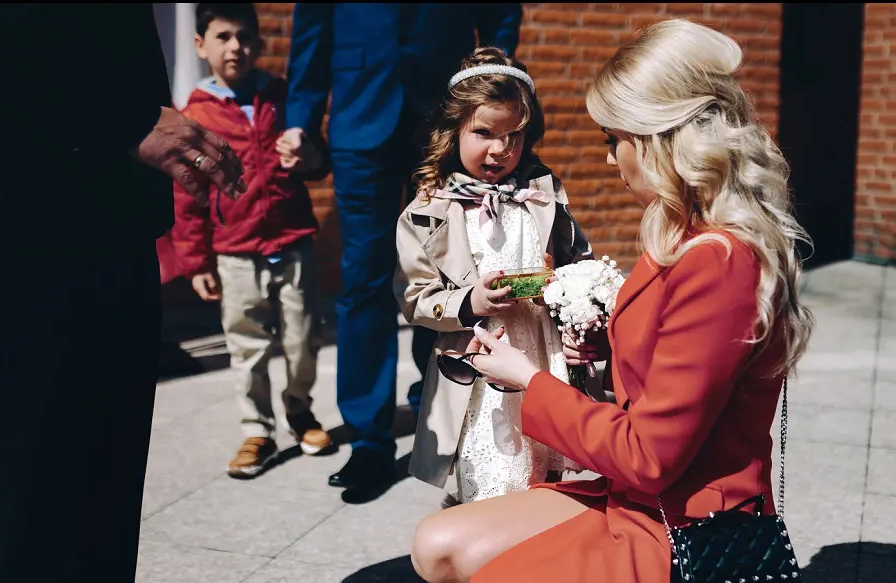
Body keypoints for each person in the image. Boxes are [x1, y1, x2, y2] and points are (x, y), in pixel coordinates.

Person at [407, 19, 815, 583]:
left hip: (684, 532)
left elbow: (653, 456)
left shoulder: (720, 259)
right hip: (633, 498)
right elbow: (662, 371)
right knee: (437, 545)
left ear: (659, 140)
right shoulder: (681, 227)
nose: (607, 155)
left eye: (614, 138)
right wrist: (598, 345)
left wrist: (530, 380)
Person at [0, 4, 246, 583]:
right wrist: (118, 115)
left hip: (111, 206)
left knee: (104, 443)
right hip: (19, 205)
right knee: (17, 463)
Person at [276, 3, 523, 496]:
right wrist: (300, 119)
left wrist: (489, 81)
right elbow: (312, 30)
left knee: (442, 271)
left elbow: (500, 15)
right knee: (364, 281)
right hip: (360, 115)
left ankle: (436, 406)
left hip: (441, 118)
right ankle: (369, 439)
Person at [395, 47, 594, 515]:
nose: (501, 149)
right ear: (452, 131)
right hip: (478, 368)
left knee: (542, 472)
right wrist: (471, 300)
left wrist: (565, 286)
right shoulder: (428, 211)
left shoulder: (543, 196)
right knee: (490, 476)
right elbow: (414, 299)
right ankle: (478, 575)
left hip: (541, 359)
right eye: (484, 133)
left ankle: (531, 569)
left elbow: (579, 263)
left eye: (514, 136)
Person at [172, 2, 333, 479]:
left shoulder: (283, 98)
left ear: (259, 45)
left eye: (244, 38)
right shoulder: (195, 114)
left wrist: (306, 158)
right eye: (222, 37)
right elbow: (188, 195)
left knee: (304, 340)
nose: (235, 48)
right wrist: (196, 260)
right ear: (201, 45)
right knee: (248, 346)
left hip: (292, 240)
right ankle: (257, 429)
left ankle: (300, 411)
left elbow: (319, 162)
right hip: (235, 250)